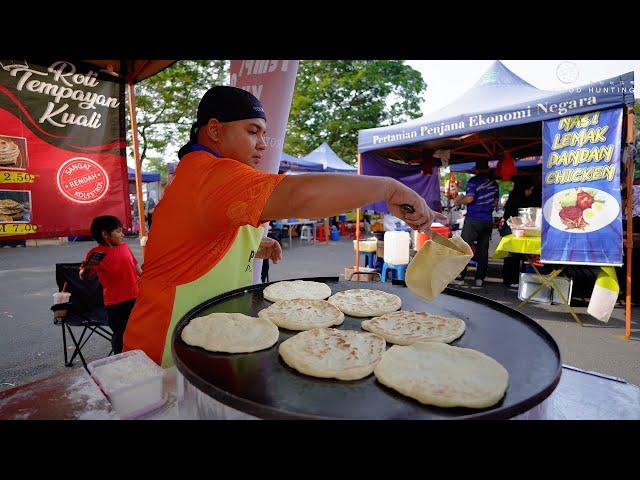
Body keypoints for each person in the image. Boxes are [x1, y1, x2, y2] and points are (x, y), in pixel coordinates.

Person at [123, 85, 445, 367]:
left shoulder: (204, 175)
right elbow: (299, 195)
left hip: (205, 335)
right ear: (215, 130)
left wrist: (250, 245)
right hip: (166, 347)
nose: (263, 143)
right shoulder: (211, 174)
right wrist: (388, 188)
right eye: (252, 131)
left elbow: (199, 236)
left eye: (264, 133)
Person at [80, 216, 141, 354]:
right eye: (118, 231)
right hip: (115, 304)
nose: (123, 234)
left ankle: (137, 359)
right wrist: (87, 267)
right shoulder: (95, 254)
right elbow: (83, 276)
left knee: (137, 332)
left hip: (136, 298)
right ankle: (119, 361)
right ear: (105, 234)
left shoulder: (125, 247)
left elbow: (137, 268)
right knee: (121, 336)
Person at [451, 159, 499, 287]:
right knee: (483, 250)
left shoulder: (473, 181)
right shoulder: (494, 183)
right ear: (488, 169)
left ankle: (460, 276)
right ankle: (480, 279)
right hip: (487, 220)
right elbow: (495, 203)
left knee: (463, 248)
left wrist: (459, 201)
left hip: (473, 219)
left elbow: (470, 198)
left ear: (476, 170)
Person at [499, 176, 536, 289]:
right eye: (529, 190)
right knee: (514, 255)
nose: (530, 193)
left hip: (509, 228)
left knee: (510, 256)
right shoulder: (520, 201)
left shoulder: (512, 198)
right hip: (514, 229)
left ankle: (508, 279)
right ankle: (513, 280)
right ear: (524, 189)